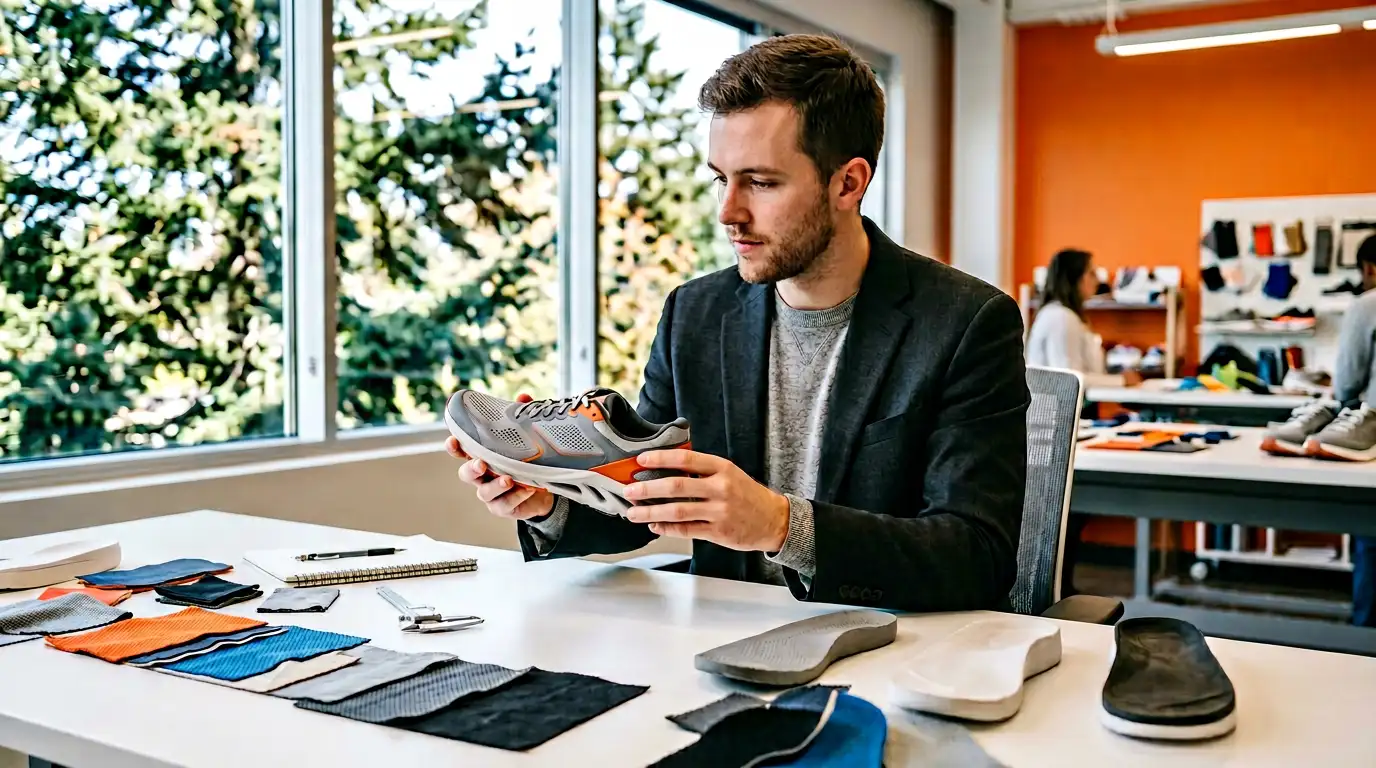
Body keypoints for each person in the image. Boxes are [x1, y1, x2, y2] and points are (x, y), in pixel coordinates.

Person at [445, 34, 1031, 613]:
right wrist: (549, 506)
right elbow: (647, 503)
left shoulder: (966, 323)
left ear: (848, 183)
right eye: (721, 178)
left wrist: (780, 525)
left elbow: (977, 554)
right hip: (722, 643)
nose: (728, 212)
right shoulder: (693, 314)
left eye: (761, 182)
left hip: (893, 651)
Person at [1333, 234, 1376, 627]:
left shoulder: (1367, 305)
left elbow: (1346, 384)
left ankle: (1364, 650)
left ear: (1369, 269)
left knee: (1373, 543)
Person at [1025, 248, 1140, 387]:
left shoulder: (1066, 316)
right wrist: (1121, 381)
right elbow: (1069, 379)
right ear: (1074, 278)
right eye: (1091, 273)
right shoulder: (1060, 317)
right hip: (1061, 407)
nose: (1097, 280)